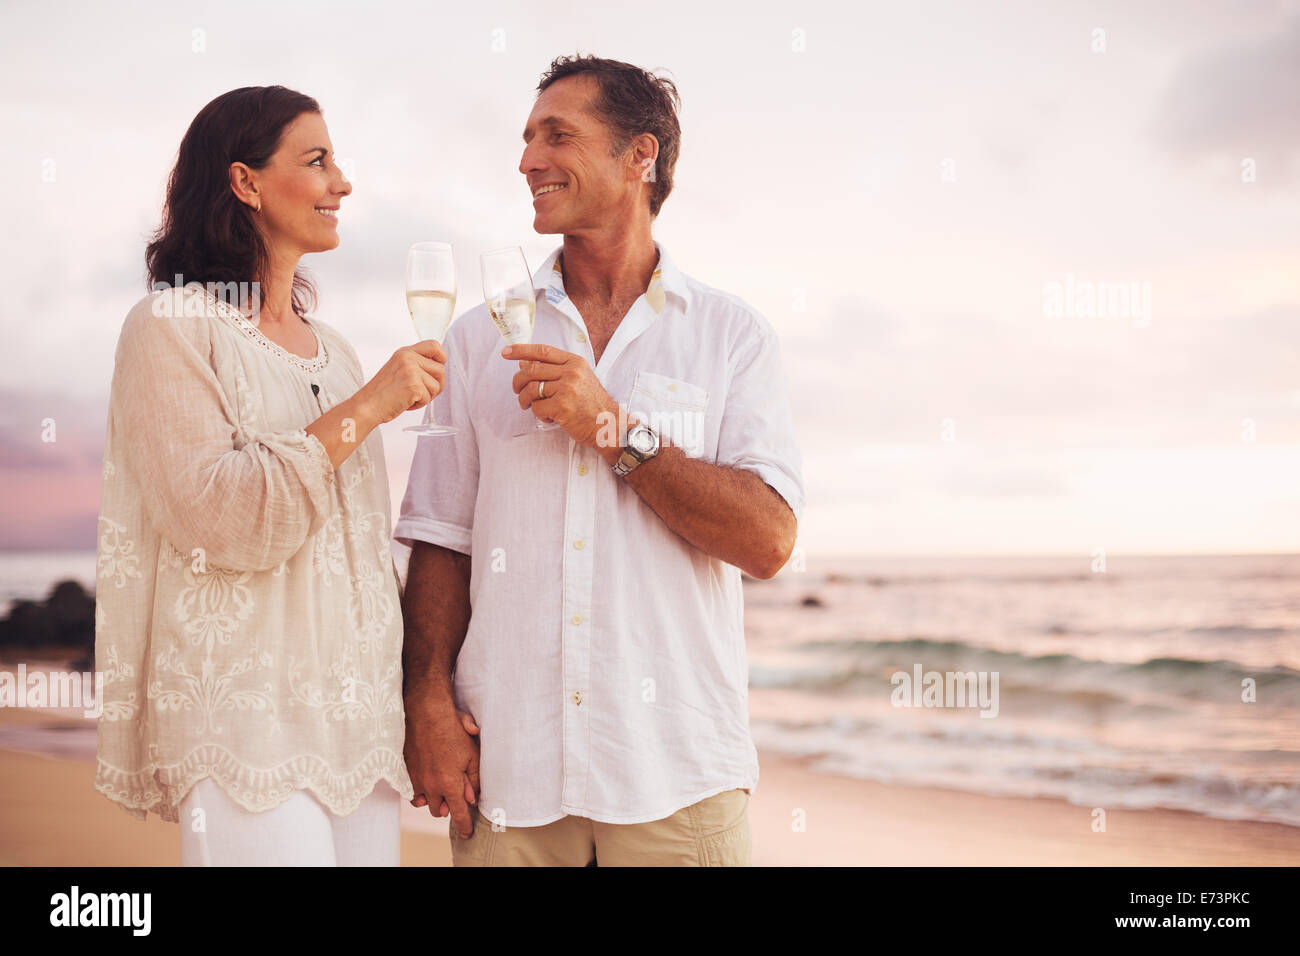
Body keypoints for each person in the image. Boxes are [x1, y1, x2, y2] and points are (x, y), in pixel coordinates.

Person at [395, 55, 804, 866]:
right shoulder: (477, 339)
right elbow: (442, 537)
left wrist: (616, 430)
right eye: (525, 139)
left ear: (639, 157)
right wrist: (426, 699)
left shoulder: (732, 337)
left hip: (677, 775)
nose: (527, 161)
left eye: (557, 136)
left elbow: (768, 540)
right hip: (508, 775)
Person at [94, 85, 448, 866]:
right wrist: (372, 406)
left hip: (356, 734)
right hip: (244, 730)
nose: (341, 183)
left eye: (336, 160)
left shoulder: (339, 351)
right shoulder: (171, 328)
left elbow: (360, 560)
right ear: (245, 181)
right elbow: (217, 518)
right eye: (316, 160)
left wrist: (417, 706)